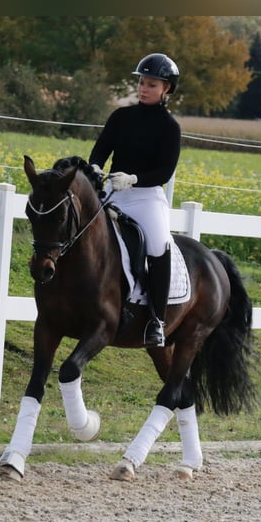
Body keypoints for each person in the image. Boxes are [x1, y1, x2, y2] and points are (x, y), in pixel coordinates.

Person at [89, 52, 181, 347]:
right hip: (113, 191)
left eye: (152, 84)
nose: (144, 88)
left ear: (166, 89)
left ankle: (157, 319)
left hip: (145, 196)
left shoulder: (169, 127)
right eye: (142, 82)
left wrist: (134, 178)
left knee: (157, 245)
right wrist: (94, 168)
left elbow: (164, 172)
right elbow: (101, 150)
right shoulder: (121, 116)